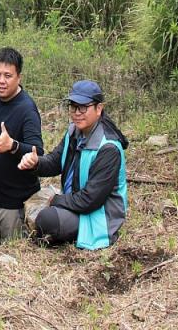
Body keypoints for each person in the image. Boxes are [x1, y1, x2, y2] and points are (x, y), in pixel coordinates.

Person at [18, 80, 129, 250]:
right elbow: (55, 162)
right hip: (76, 202)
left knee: (47, 220)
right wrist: (36, 163)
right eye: (73, 106)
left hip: (98, 215)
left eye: (83, 107)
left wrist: (56, 200)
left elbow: (90, 200)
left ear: (99, 109)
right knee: (33, 203)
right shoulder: (74, 131)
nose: (77, 113)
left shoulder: (108, 148)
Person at [0, 47, 44, 246]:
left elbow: (37, 151)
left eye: (8, 76)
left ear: (18, 77)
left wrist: (12, 145)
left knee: (11, 259)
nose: (1, 81)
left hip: (14, 204)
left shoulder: (26, 109)